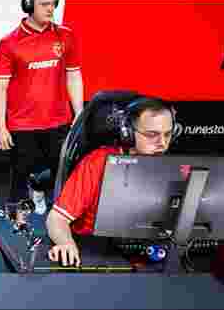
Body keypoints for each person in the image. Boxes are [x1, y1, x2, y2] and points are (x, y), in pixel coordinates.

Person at [46, 97, 174, 267]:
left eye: (168, 134)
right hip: (99, 252)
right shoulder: (98, 162)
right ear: (127, 133)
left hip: (150, 253)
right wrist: (66, 243)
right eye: (152, 135)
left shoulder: (174, 166)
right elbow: (57, 219)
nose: (162, 143)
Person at [0, 0, 83, 214]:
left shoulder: (66, 36)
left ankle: (43, 192)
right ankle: (17, 218)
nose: (50, 9)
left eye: (53, 3)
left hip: (59, 120)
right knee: (19, 175)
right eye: (44, 4)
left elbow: (74, 75)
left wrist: (79, 114)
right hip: (22, 123)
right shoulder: (9, 43)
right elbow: (0, 87)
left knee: (63, 171)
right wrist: (1, 127)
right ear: (29, 4)